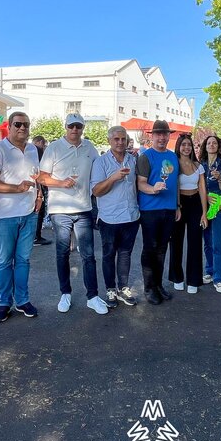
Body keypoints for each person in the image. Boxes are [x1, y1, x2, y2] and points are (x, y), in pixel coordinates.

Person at [38, 113, 107, 314]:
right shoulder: (54, 148)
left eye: (78, 126)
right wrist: (61, 183)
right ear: (66, 127)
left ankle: (92, 296)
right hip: (60, 210)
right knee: (62, 253)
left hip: (84, 208)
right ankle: (65, 293)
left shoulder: (89, 147)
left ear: (83, 128)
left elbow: (100, 169)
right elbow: (41, 177)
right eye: (71, 126)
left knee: (88, 255)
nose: (74, 130)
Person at [0, 111, 42, 321]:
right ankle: (4, 303)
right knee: (4, 261)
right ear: (9, 126)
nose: (22, 128)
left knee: (23, 260)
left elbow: (35, 177)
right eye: (18, 124)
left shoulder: (33, 149)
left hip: (29, 213)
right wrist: (16, 188)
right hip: (6, 215)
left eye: (26, 124)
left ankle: (22, 300)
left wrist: (39, 195)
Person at [91, 125, 140, 307]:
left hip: (131, 216)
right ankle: (110, 289)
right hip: (109, 218)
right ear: (109, 140)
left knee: (125, 254)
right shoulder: (101, 162)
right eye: (116, 139)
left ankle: (123, 288)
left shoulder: (133, 160)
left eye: (123, 139)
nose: (120, 142)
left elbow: (138, 185)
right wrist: (113, 178)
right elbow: (96, 191)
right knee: (109, 255)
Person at [136, 120, 180, 305]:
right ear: (152, 136)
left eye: (165, 134)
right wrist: (153, 189)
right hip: (150, 210)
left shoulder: (173, 156)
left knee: (162, 250)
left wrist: (178, 205)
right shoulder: (145, 157)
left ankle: (158, 284)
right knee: (150, 249)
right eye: (158, 134)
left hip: (169, 209)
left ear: (169, 136)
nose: (162, 137)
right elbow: (141, 184)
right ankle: (149, 288)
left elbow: (176, 183)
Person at [168, 134, 209, 293]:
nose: (186, 148)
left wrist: (204, 213)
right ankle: (177, 277)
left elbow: (202, 189)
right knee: (176, 241)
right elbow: (174, 186)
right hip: (179, 204)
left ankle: (194, 280)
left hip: (195, 204)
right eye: (183, 144)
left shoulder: (198, 166)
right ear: (178, 146)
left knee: (195, 242)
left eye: (189, 145)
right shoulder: (174, 164)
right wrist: (177, 206)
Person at [199, 135, 221, 293]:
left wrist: (220, 179)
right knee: (207, 242)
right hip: (203, 206)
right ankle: (209, 271)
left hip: (219, 207)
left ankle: (218, 278)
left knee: (217, 243)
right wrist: (205, 197)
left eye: (214, 143)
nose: (211, 145)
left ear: (219, 147)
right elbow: (196, 186)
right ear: (205, 147)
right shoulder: (200, 164)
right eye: (209, 143)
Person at [32, 135, 52, 246]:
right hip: (38, 185)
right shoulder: (37, 151)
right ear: (40, 142)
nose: (44, 147)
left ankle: (34, 236)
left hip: (32, 186)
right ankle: (36, 236)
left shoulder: (29, 149)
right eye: (43, 144)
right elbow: (41, 170)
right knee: (39, 211)